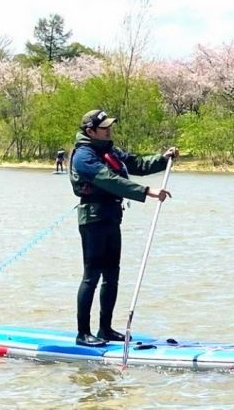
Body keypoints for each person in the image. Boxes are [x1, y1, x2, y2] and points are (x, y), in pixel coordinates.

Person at [69, 109, 178, 346]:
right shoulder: (83, 156)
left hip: (111, 216)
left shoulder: (110, 150)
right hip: (93, 218)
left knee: (112, 274)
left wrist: (163, 158)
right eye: (104, 127)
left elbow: (137, 163)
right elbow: (109, 180)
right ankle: (82, 334)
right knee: (92, 276)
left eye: (109, 126)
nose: (109, 130)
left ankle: (105, 329)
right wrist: (146, 191)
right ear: (90, 131)